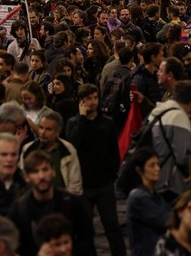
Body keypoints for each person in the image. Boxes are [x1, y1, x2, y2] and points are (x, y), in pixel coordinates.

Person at [65, 84, 125, 255]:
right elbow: (72, 147)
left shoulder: (107, 123)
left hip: (104, 183)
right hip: (83, 185)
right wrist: (83, 120)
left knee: (112, 226)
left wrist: (112, 174)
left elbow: (114, 152)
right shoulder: (73, 123)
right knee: (84, 228)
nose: (93, 102)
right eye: (88, 98)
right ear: (81, 101)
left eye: (95, 98)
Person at [8, 150, 95, 256]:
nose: (41, 176)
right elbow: (17, 249)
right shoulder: (19, 210)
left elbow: (87, 241)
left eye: (45, 170)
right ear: (27, 177)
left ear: (53, 171)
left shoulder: (73, 203)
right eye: (35, 172)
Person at [121, 148, 171, 256]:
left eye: (158, 164)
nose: (158, 168)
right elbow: (165, 220)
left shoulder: (154, 195)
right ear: (139, 170)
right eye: (152, 165)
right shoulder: (139, 198)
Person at [20, 111, 83, 195]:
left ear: (58, 132)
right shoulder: (28, 149)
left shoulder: (68, 149)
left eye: (48, 129)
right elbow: (22, 179)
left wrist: (68, 203)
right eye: (41, 127)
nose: (42, 132)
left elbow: (75, 183)